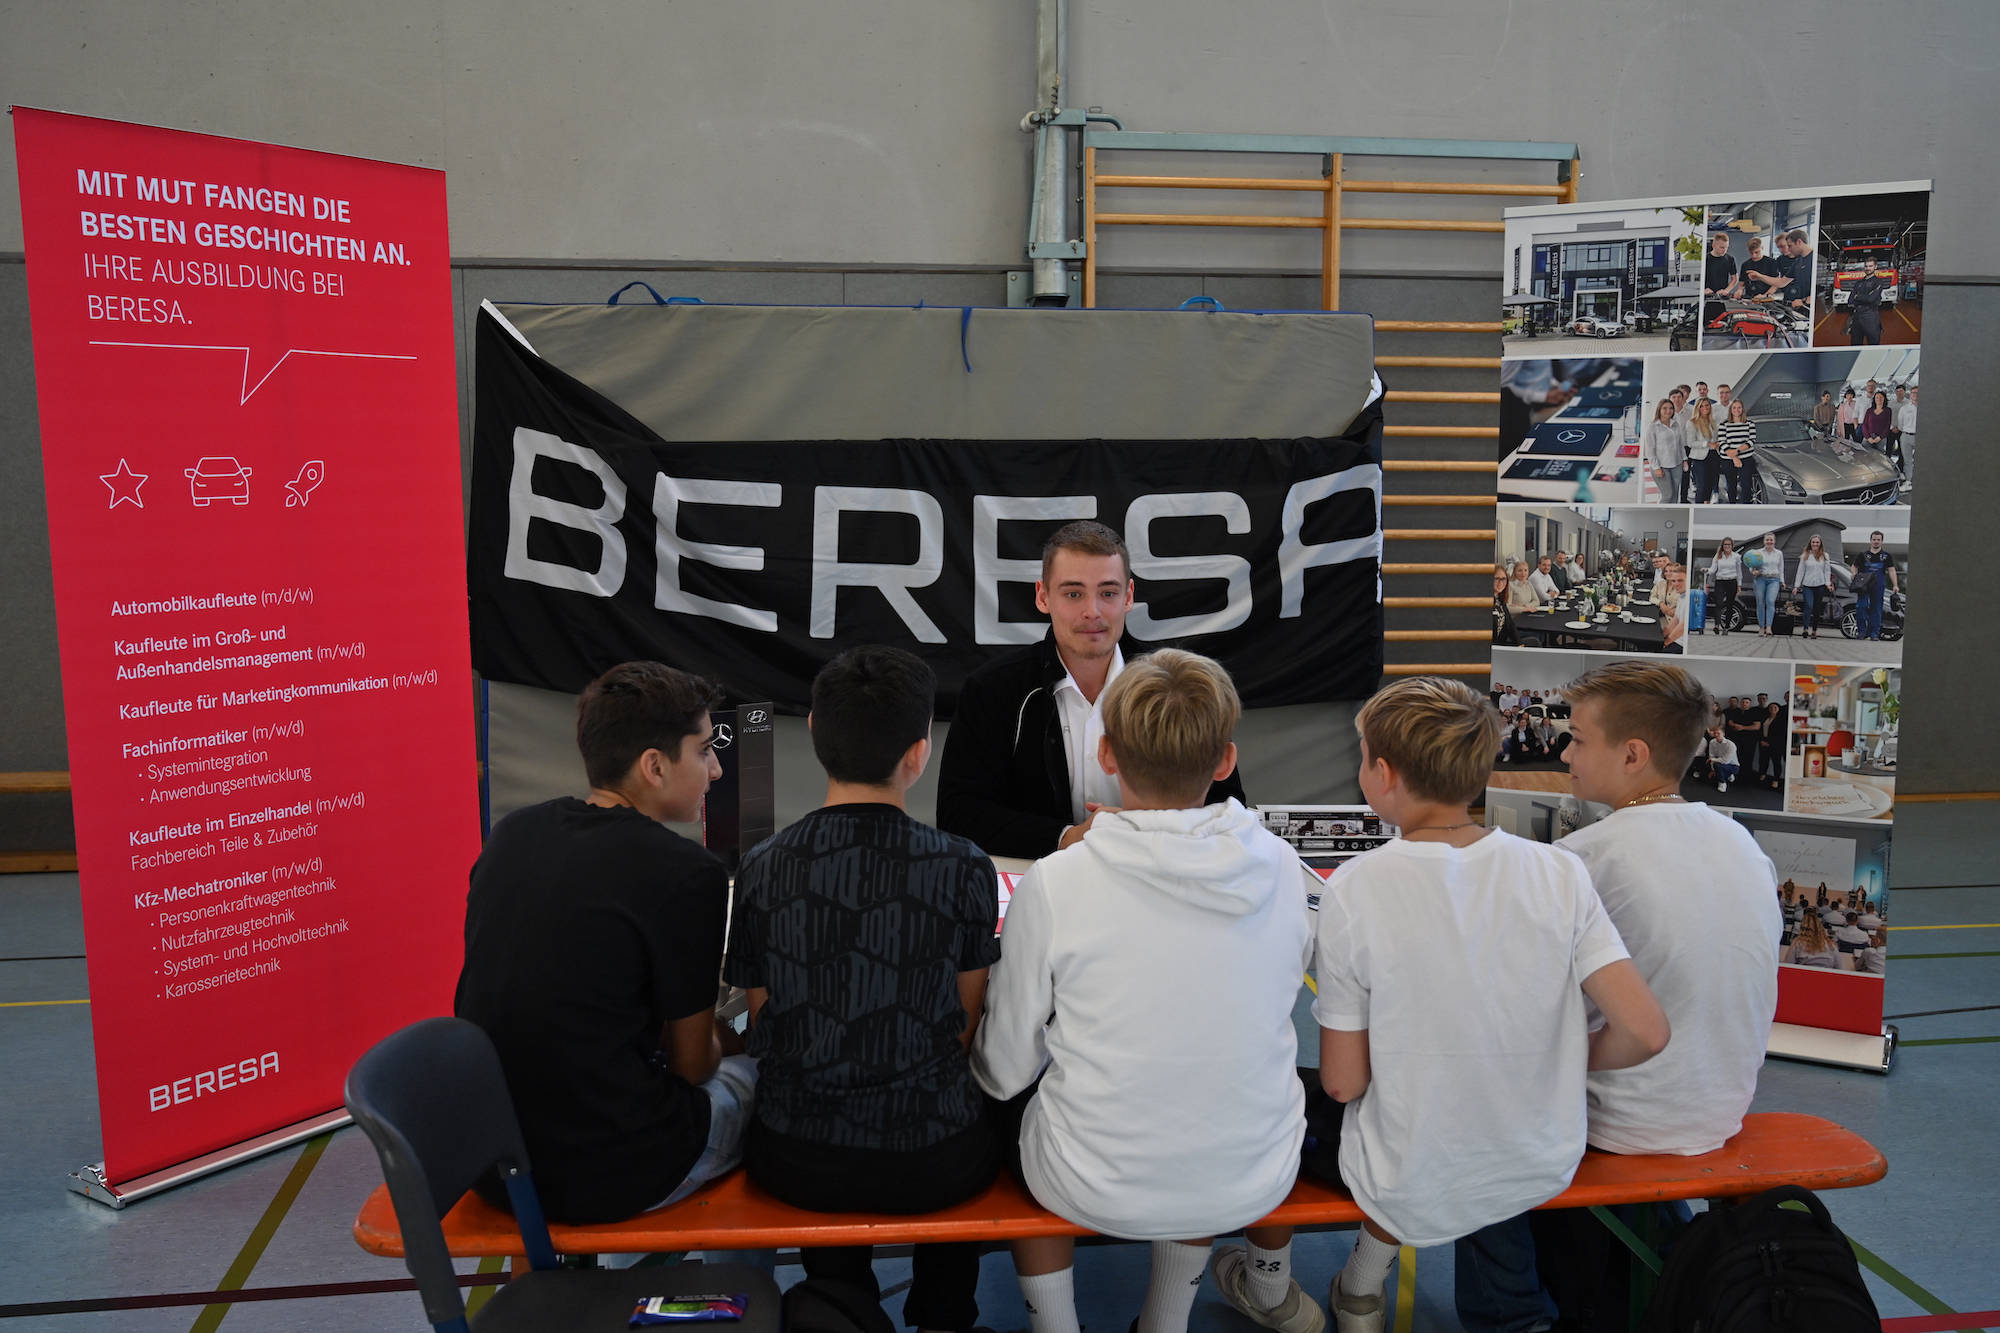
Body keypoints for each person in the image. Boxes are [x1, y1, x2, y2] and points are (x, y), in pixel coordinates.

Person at [1265, 677, 1667, 1333]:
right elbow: (1646, 1031)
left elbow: (1343, 1082)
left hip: (1406, 1172)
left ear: (1383, 773)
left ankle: (1276, 1286)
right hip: (1542, 1155)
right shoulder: (1559, 872)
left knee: (1281, 1106)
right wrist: (1561, 1060)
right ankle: (1360, 1287)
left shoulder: (1356, 889)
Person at [973, 650, 1317, 1333]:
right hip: (1251, 1171)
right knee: (1200, 1081)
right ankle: (1165, 1320)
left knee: (1015, 1099)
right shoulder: (1284, 866)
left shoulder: (1057, 880)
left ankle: (1057, 1326)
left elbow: (1004, 1069)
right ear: (1225, 761)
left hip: (1086, 1178)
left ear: (1106, 753)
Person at [1458, 662, 1780, 1333]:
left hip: (1624, 1123)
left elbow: (1515, 1007)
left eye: (1577, 740)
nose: (1564, 754)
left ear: (1633, 754)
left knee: (1464, 1106)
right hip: (1719, 1106)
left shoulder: (1584, 857)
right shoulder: (1742, 843)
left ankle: (1510, 1317)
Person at [725, 647, 1001, 1329]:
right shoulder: (964, 865)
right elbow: (963, 1027)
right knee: (976, 1103)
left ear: (815, 731)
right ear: (919, 752)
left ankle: (838, 1304)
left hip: (796, 1154)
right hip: (934, 1156)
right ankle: (944, 1314)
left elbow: (765, 1022)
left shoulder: (761, 866)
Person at [455, 661, 748, 1224]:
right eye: (705, 750)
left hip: (495, 1167)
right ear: (654, 766)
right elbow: (692, 1067)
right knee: (767, 1082)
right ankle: (742, 1272)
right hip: (612, 1175)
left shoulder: (513, 832)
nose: (715, 770)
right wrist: (735, 1036)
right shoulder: (687, 873)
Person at [938, 520, 1244, 859]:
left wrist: (1143, 830)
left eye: (1108, 593)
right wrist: (1068, 837)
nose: (1092, 611)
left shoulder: (1176, 686)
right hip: (1038, 873)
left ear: (1128, 596)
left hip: (1163, 867)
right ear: (1043, 596)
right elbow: (958, 815)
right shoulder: (992, 690)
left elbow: (1226, 806)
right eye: (1073, 594)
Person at [1640, 397, 1687, 503]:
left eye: (1671, 408)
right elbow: (1650, 450)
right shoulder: (1652, 427)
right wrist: (1656, 467)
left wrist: (1684, 459)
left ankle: (1673, 511)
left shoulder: (1676, 424)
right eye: (1665, 408)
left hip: (1677, 464)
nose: (1668, 411)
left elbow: (1680, 444)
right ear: (1659, 410)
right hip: (1661, 466)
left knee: (1675, 494)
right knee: (1667, 495)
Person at [1856, 529, 1900, 640]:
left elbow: (1891, 570)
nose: (1876, 541)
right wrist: (1854, 575)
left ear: (1882, 541)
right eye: (1874, 539)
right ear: (1870, 540)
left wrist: (1895, 585)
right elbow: (1854, 567)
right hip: (1864, 586)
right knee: (1861, 606)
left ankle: (1874, 633)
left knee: (1876, 609)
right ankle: (1862, 632)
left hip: (1878, 585)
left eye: (1878, 540)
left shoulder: (1886, 556)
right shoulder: (1863, 555)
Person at [1715, 400, 1758, 504]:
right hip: (1728, 459)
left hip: (1746, 458)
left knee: (1746, 484)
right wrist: (1734, 457)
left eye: (1739, 407)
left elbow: (1751, 441)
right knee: (1731, 484)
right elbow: (1722, 441)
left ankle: (1745, 506)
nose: (1737, 410)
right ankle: (1732, 505)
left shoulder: (1750, 423)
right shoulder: (1724, 424)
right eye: (1734, 407)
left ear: (1742, 409)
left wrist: (1737, 451)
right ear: (1731, 410)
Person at [1796, 533, 1832, 639]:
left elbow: (1827, 571)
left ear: (1820, 544)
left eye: (1817, 542)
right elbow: (1800, 571)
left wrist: (1828, 584)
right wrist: (1796, 586)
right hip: (1807, 585)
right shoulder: (1805, 555)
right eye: (1813, 542)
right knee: (1809, 605)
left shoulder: (1825, 556)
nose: (1815, 544)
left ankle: (1814, 630)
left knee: (1817, 608)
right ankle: (1805, 629)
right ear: (1810, 543)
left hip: (1820, 585)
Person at [1750, 532, 1785, 637]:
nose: (1769, 542)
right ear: (1764, 541)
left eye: (1771, 540)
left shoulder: (1779, 553)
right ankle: (1761, 627)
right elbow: (1751, 565)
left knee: (1770, 601)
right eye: (1767, 540)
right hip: (1761, 579)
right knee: (1760, 603)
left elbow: (1781, 568)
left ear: (1774, 541)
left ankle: (1769, 627)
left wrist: (1782, 581)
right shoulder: (1758, 552)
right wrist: (1753, 571)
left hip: (1774, 579)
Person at [1846, 262, 1889, 345]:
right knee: (1855, 344)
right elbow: (1850, 300)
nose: (1868, 268)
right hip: (1857, 316)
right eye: (1866, 266)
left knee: (1873, 344)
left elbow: (1871, 299)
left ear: (1875, 267)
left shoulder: (1878, 282)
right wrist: (1864, 297)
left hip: (1870, 315)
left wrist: (1857, 297)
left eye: (1870, 266)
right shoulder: (1858, 283)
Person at [1685, 397, 1719, 503]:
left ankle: (1706, 506)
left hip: (1713, 456)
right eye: (1702, 406)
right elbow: (1690, 443)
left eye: (1707, 405)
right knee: (1702, 487)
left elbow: (1715, 438)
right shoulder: (1692, 422)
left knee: (1710, 485)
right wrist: (1707, 444)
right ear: (1697, 408)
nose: (1705, 407)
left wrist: (1717, 443)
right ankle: (1698, 508)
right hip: (1699, 458)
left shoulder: (1712, 421)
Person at [1710, 537, 1742, 635]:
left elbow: (1739, 572)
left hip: (1732, 581)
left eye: (1729, 544)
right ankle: (1717, 625)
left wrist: (1739, 585)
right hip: (1720, 581)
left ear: (1732, 546)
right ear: (1722, 546)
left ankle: (1726, 627)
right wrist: (1707, 571)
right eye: (1725, 544)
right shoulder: (1718, 555)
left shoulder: (1736, 556)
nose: (1727, 546)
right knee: (1719, 603)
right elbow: (1713, 569)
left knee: (1729, 604)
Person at [1698, 727, 1740, 791]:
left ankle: (1722, 782)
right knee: (1707, 765)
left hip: (1733, 766)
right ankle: (1724, 774)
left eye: (1718, 733)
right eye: (1715, 733)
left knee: (1718, 766)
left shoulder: (1731, 745)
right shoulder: (1712, 742)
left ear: (1723, 734)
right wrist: (1713, 769)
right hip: (1718, 762)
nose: (1716, 735)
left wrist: (1713, 761)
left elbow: (1725, 761)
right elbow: (1711, 756)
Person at [1492, 564, 1522, 648]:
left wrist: (1519, 644)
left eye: (1503, 579)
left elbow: (1510, 624)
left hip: (1501, 645)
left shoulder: (1500, 599)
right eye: (1497, 578)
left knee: (1534, 642)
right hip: (1492, 649)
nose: (1501, 582)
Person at [1896, 386, 1918, 493]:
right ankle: (1908, 482)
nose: (1915, 394)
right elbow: (1900, 424)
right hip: (1906, 436)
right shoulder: (1904, 408)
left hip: (1920, 437)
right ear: (1910, 394)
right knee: (1907, 460)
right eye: (1913, 392)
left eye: (1917, 392)